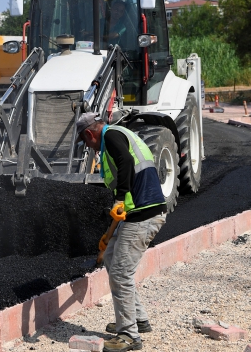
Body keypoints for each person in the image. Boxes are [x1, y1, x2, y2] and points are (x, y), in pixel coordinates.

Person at [75, 112, 167, 351]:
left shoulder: (112, 136)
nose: (89, 147)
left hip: (144, 213)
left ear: (89, 133)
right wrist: (110, 233)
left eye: (86, 142)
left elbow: (125, 162)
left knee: (120, 273)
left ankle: (129, 336)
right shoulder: (116, 136)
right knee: (111, 257)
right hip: (137, 212)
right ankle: (137, 319)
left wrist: (118, 198)